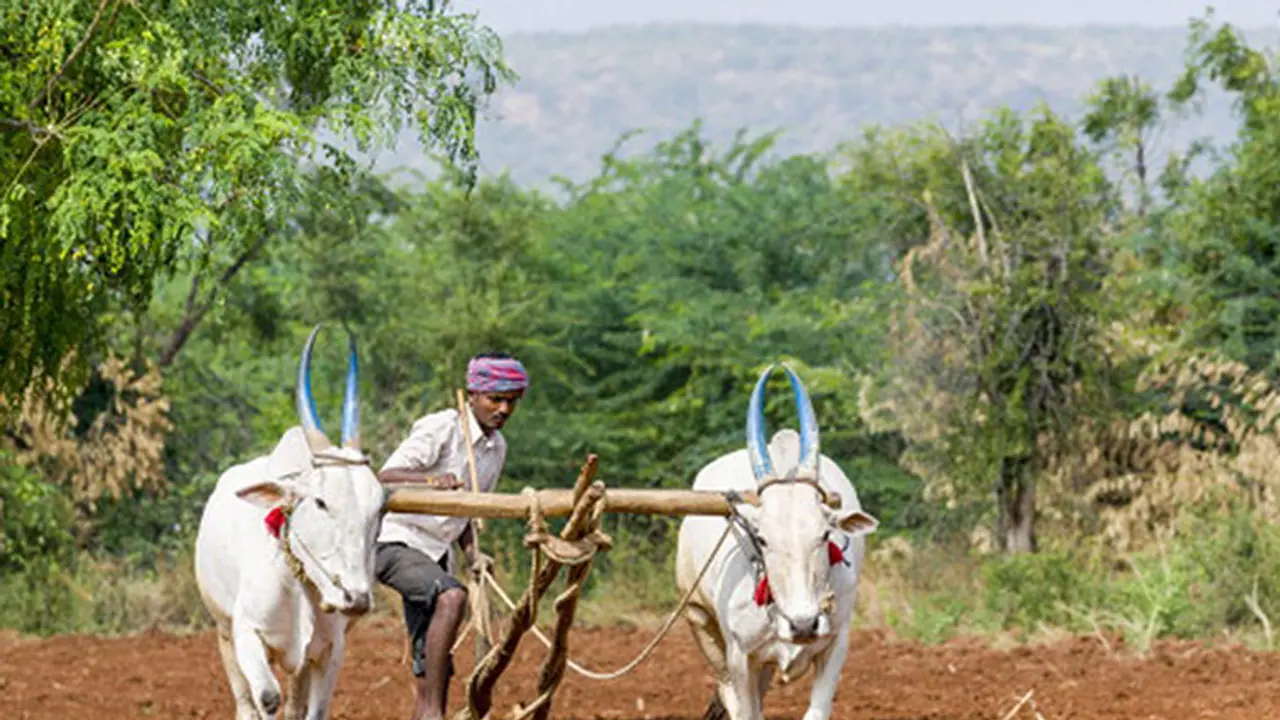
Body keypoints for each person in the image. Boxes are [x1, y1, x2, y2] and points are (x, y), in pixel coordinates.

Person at [374, 352, 528, 720]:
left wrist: (474, 553)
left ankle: (430, 711)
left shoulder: (497, 449)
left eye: (511, 401)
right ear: (473, 395)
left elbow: (469, 512)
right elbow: (384, 475)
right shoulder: (442, 428)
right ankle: (431, 714)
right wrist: (432, 481)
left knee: (432, 659)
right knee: (451, 597)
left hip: (438, 553)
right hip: (397, 541)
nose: (504, 409)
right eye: (495, 399)